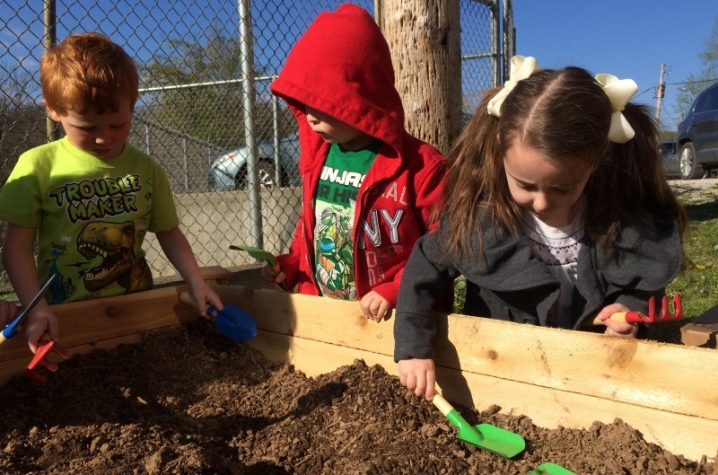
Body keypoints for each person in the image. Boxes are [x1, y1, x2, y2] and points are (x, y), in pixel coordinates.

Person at [394, 56, 687, 400]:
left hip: (592, 375)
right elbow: (425, 266)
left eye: (562, 188)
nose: (543, 202)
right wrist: (413, 347)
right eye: (525, 185)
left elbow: (642, 277)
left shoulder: (621, 219)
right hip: (502, 372)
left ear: (595, 164)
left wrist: (626, 308)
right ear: (500, 150)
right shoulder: (483, 218)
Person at [0, 32, 223, 353]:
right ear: (53, 110)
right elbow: (16, 249)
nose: (104, 138)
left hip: (138, 307)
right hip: (62, 315)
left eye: (118, 125)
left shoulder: (147, 169)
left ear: (133, 107)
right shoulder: (37, 166)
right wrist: (36, 308)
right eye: (88, 128)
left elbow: (170, 233)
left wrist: (196, 280)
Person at [263, 4, 448, 322]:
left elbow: (446, 243)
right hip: (327, 316)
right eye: (307, 101)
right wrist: (294, 263)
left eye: (325, 101)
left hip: (396, 321)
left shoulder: (421, 167)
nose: (310, 114)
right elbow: (310, 221)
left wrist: (399, 288)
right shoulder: (319, 155)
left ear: (361, 100)